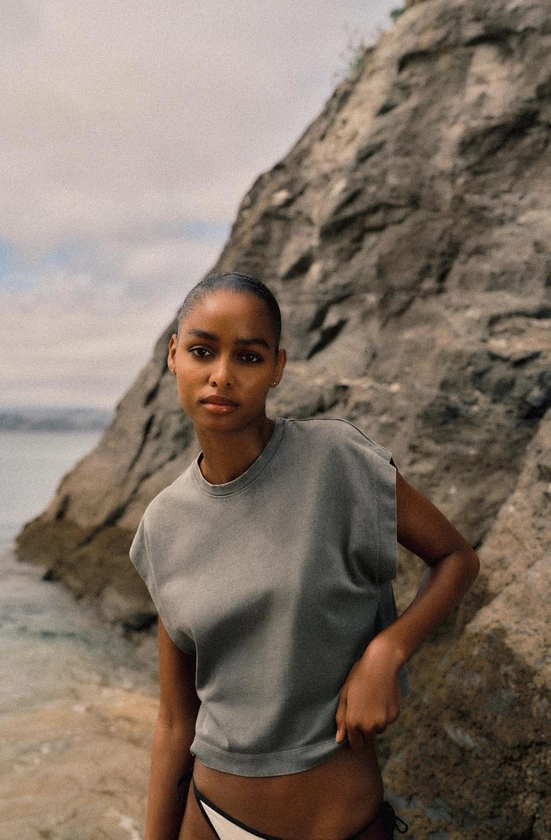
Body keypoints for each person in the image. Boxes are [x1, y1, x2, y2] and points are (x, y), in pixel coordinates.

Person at [130, 272, 480, 840]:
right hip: (212, 818)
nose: (221, 374)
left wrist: (388, 651)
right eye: (201, 351)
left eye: (248, 355)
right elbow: (175, 720)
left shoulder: (338, 462)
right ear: (174, 357)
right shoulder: (162, 524)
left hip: (342, 823)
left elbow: (456, 559)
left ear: (277, 368)